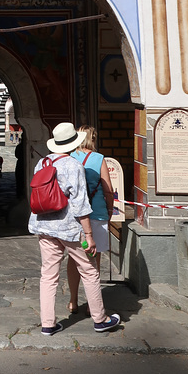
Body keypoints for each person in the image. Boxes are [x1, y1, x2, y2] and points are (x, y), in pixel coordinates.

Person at [29, 122, 120, 336]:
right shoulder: (73, 165)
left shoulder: (41, 163)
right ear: (72, 143)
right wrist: (89, 234)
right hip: (70, 228)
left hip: (44, 225)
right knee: (89, 270)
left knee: (48, 275)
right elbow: (80, 203)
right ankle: (100, 319)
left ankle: (48, 324)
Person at [67, 125, 115, 314]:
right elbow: (108, 188)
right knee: (93, 260)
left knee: (73, 259)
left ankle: (72, 301)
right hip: (96, 213)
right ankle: (91, 303)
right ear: (93, 138)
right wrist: (110, 209)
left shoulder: (70, 157)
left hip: (74, 215)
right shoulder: (99, 159)